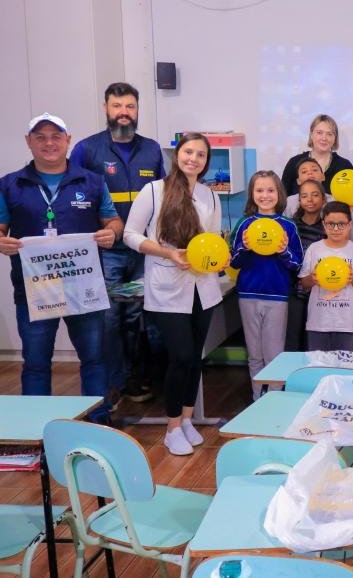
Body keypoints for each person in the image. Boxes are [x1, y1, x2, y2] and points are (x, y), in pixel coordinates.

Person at [0, 113, 122, 422]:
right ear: (29, 142)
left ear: (68, 140)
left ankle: (98, 422)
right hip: (34, 290)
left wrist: (112, 232)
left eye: (56, 136)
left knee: (94, 359)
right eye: (40, 137)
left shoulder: (92, 181)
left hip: (84, 289)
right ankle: (35, 428)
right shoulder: (10, 185)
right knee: (36, 362)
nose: (49, 143)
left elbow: (113, 220)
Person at [123, 133, 224, 455]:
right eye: (188, 152)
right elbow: (129, 235)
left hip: (203, 288)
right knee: (179, 357)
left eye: (201, 155)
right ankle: (171, 427)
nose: (193, 159)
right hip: (167, 289)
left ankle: (187, 417)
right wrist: (169, 254)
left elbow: (214, 241)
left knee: (195, 358)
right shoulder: (154, 191)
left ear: (207, 162)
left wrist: (221, 257)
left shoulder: (211, 196)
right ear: (176, 155)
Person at [70, 82, 165, 405]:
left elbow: (164, 197)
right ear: (106, 108)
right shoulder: (86, 150)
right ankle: (111, 383)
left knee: (137, 316)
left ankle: (134, 381)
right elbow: (75, 198)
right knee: (107, 317)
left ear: (137, 110)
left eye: (130, 107)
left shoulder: (151, 149)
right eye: (117, 106)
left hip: (142, 250)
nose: (124, 113)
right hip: (106, 251)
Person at [231, 171, 303, 399]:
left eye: (270, 190)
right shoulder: (245, 223)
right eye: (259, 190)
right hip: (247, 294)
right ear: (252, 194)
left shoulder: (288, 226)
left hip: (277, 295)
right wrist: (244, 247)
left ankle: (273, 398)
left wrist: (283, 251)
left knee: (274, 354)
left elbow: (297, 264)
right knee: (254, 354)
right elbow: (233, 261)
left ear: (279, 193)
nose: (265, 195)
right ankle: (256, 397)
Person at [299, 201, 353, 350]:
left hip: (347, 323)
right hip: (318, 322)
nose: (336, 228)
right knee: (318, 365)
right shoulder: (315, 249)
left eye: (341, 224)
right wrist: (313, 278)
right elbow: (304, 284)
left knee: (343, 367)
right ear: (324, 225)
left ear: (349, 225)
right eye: (331, 224)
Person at [285, 179, 327, 351]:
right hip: (295, 292)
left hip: (320, 292)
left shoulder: (327, 227)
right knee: (293, 340)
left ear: (324, 199)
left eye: (315, 195)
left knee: (315, 342)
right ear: (299, 200)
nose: (310, 199)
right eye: (305, 196)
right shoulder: (291, 225)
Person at [280, 114, 353, 196]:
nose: (324, 138)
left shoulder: (344, 165)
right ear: (311, 135)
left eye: (329, 134)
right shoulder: (294, 162)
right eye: (319, 133)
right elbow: (282, 197)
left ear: (335, 138)